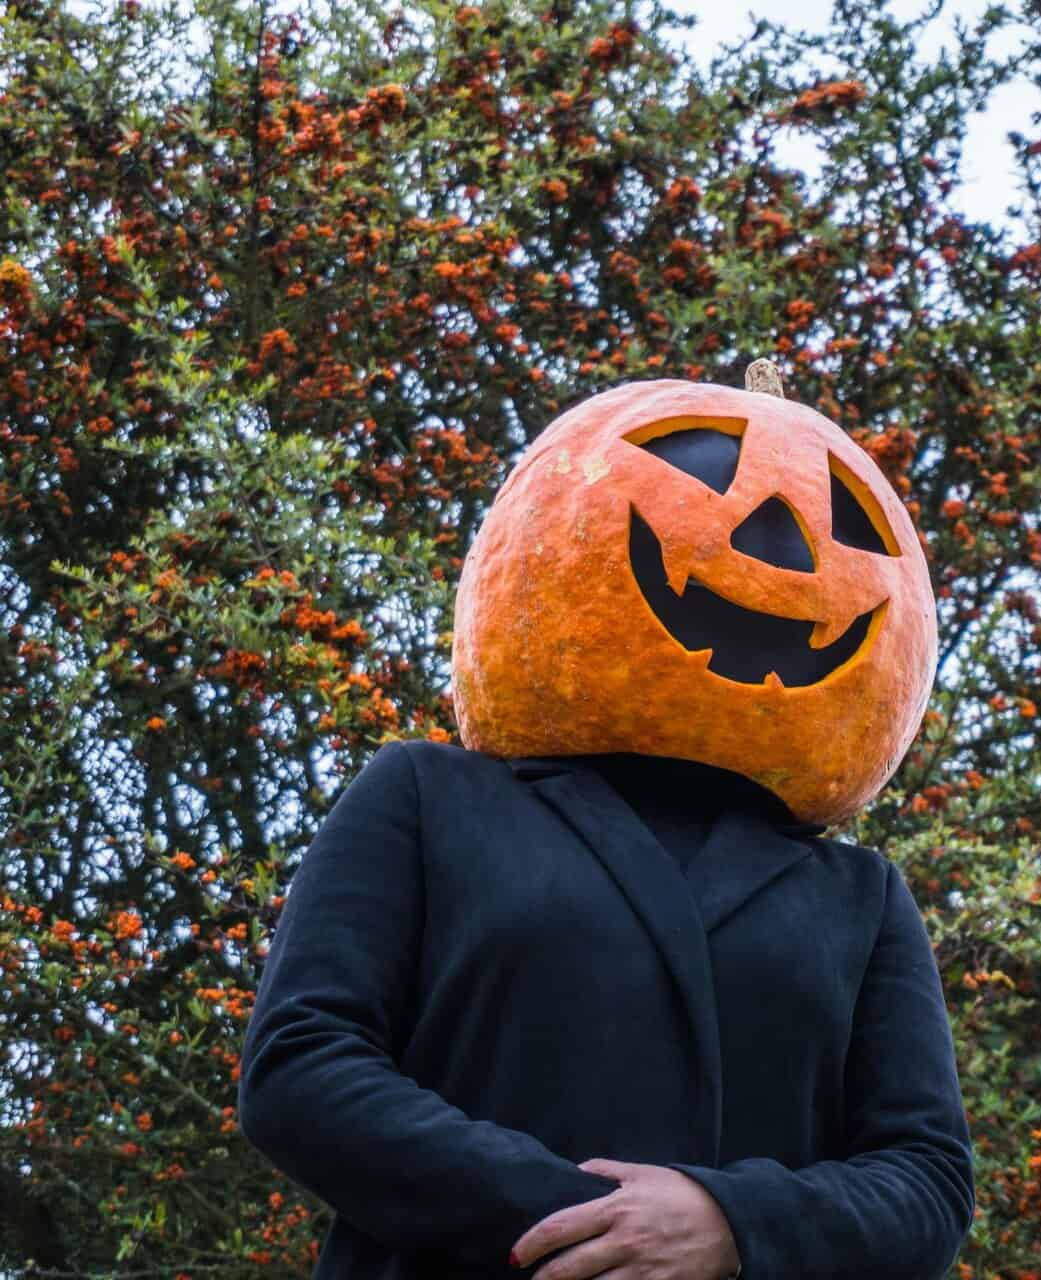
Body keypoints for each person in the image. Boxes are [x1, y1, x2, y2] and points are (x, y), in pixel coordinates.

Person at [237, 369, 976, 1279]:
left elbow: (928, 1181)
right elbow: (301, 1069)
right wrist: (589, 1223)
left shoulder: (860, 898)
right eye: (705, 479)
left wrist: (732, 1225)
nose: (778, 549)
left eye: (843, 525)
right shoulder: (426, 797)